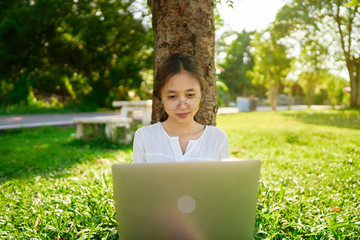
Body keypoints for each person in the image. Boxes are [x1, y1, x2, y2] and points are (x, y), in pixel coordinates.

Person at [133, 53, 229, 163]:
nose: (182, 106)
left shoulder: (217, 138)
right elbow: (138, 180)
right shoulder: (145, 137)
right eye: (172, 97)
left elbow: (222, 180)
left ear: (202, 94)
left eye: (190, 95)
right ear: (160, 97)